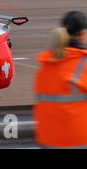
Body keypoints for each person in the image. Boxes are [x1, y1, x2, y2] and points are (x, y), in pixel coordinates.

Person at [34, 11, 87, 148]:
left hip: (48, 141)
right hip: (78, 142)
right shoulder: (83, 63)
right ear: (82, 34)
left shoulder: (45, 65)